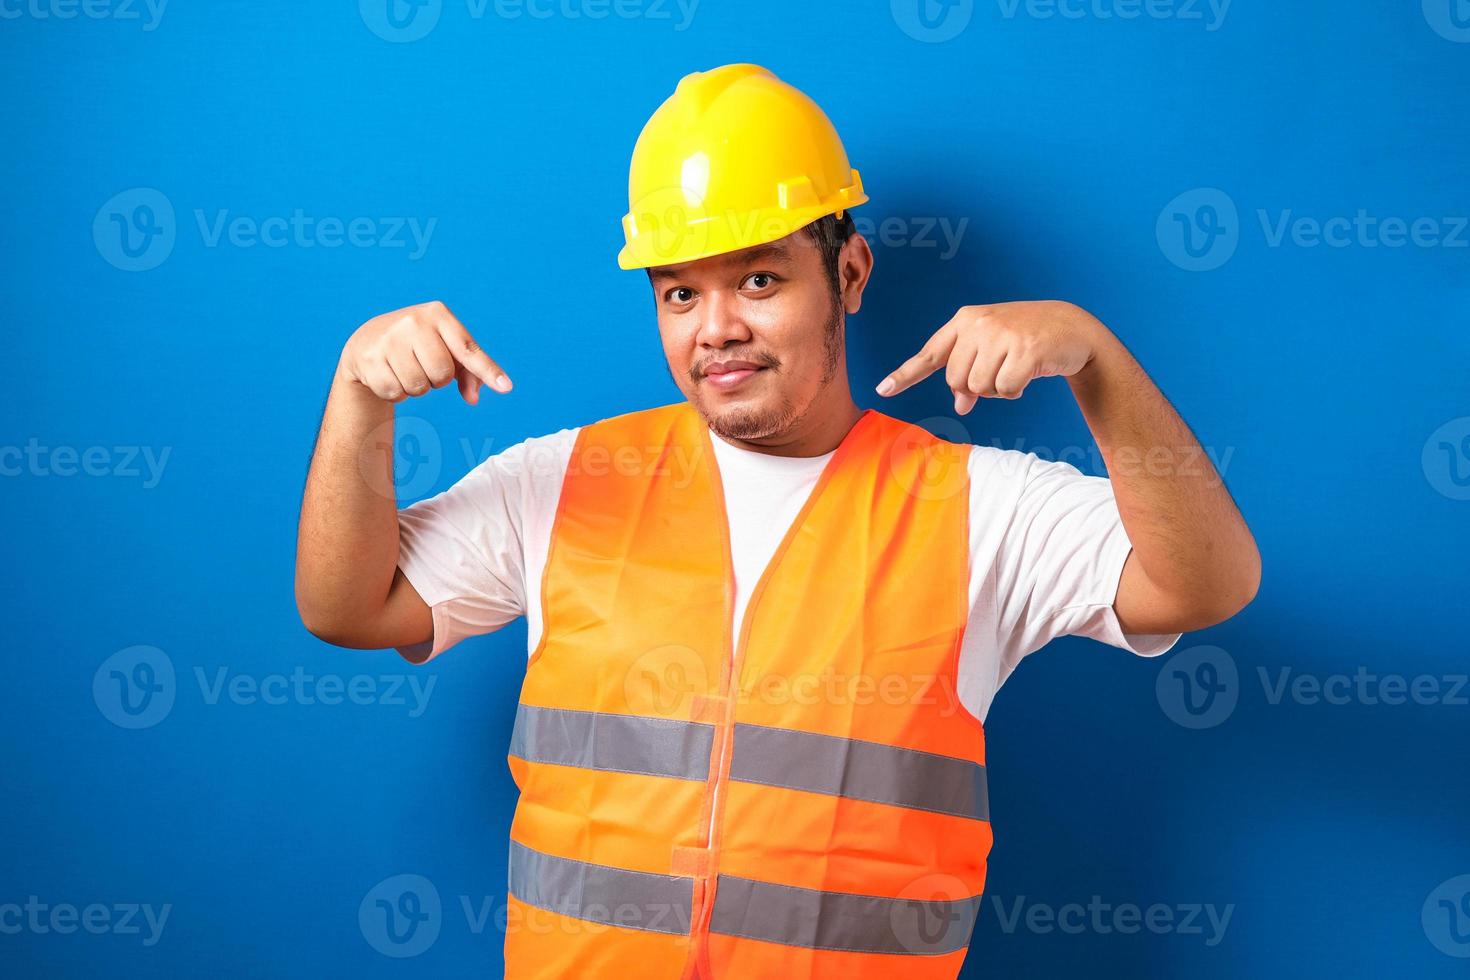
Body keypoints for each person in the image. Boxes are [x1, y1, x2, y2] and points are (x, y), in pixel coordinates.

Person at [295, 63, 1259, 980]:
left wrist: (1097, 361)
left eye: (759, 280)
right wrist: (357, 399)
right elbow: (350, 607)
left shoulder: (978, 506)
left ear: (849, 274)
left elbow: (1205, 584)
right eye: (680, 292)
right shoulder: (565, 480)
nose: (714, 327)